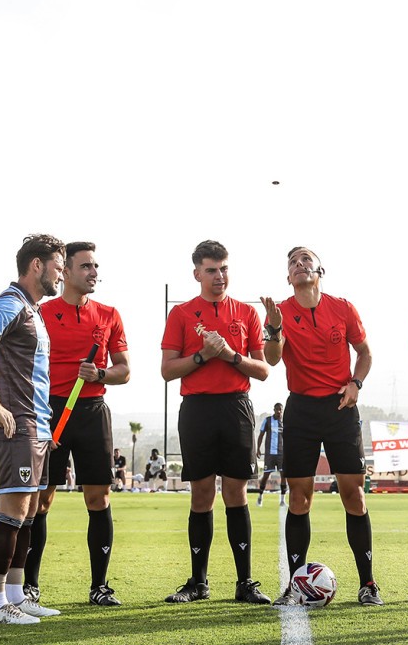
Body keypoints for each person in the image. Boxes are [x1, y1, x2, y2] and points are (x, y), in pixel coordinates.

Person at [261, 245, 381, 607]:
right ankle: (295, 587)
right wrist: (274, 328)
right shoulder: (279, 312)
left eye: (306, 261)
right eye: (293, 263)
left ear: (319, 271)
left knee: (354, 496)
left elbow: (365, 353)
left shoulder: (342, 308)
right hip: (301, 411)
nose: (299, 265)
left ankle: (369, 584)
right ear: (288, 277)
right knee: (299, 499)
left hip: (341, 408)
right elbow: (271, 358)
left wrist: (355, 384)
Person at [0, 233, 66, 625]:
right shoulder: (10, 304)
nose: (61, 274)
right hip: (15, 426)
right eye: (58, 266)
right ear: (36, 265)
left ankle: (15, 596)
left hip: (37, 427)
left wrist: (46, 425)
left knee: (29, 514)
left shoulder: (34, 310)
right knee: (12, 512)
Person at [161, 239, 271, 606]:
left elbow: (263, 369)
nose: (219, 276)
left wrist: (229, 354)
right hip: (196, 409)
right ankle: (198, 582)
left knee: (235, 493)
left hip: (236, 406)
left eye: (224, 268)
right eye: (211, 270)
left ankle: (245, 582)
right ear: (197, 274)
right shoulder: (181, 314)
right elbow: (167, 370)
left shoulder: (245, 312)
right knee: (202, 494)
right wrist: (203, 356)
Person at [25, 241, 131, 608]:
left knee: (98, 498)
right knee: (41, 500)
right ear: (65, 271)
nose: (93, 272)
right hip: (50, 412)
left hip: (92, 411)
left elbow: (124, 370)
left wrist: (99, 372)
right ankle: (29, 587)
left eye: (95, 266)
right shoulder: (41, 312)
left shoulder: (109, 314)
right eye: (85, 266)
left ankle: (99, 587)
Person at [255, 403, 287, 507]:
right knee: (266, 476)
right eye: (277, 409)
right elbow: (261, 435)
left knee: (284, 475)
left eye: (280, 410)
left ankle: (282, 500)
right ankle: (260, 497)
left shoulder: (285, 421)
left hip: (281, 454)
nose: (279, 412)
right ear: (274, 410)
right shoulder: (268, 421)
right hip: (270, 454)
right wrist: (258, 449)